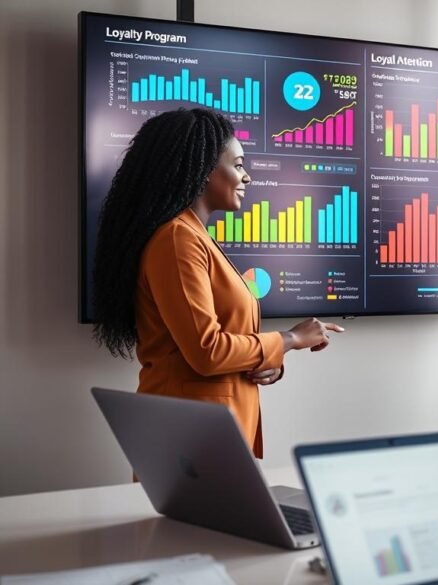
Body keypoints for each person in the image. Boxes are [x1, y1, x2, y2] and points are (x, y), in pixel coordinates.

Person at [92, 108, 343, 458]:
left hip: (209, 430)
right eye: (237, 165)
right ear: (202, 170)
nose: (247, 177)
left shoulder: (193, 236)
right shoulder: (177, 239)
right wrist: (290, 339)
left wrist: (267, 362)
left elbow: (215, 345)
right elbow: (206, 351)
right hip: (190, 435)